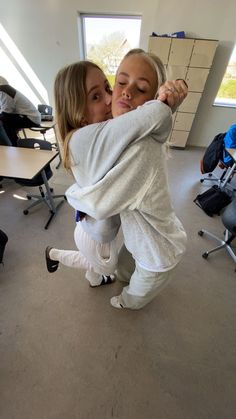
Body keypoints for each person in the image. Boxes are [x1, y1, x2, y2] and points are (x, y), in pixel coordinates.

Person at [46, 53, 187, 288]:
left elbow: (145, 127)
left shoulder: (102, 131)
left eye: (108, 87)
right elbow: (153, 118)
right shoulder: (83, 139)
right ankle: (54, 255)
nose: (114, 97)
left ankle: (94, 280)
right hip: (95, 235)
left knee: (96, 269)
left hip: (94, 229)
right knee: (104, 267)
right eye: (96, 96)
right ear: (79, 114)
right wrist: (165, 104)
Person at [0, 76, 41, 146]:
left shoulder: (5, 91)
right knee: (4, 120)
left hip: (31, 118)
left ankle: (13, 144)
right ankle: (14, 143)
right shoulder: (6, 90)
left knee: (3, 121)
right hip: (29, 116)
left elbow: (6, 112)